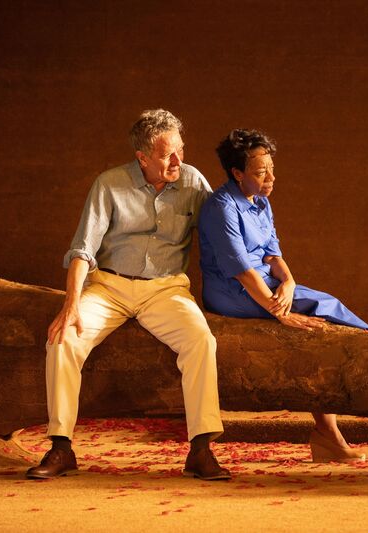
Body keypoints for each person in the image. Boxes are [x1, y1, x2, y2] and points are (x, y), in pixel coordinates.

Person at [27, 109, 229, 481]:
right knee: (63, 340)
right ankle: (61, 446)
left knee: (201, 340)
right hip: (109, 287)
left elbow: (224, 231)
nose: (177, 160)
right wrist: (71, 304)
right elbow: (83, 249)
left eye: (181, 150)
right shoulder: (109, 184)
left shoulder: (193, 181)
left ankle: (201, 449)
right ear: (142, 158)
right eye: (167, 155)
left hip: (166, 289)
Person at [198, 128, 368, 462]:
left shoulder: (261, 202)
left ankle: (329, 432)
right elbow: (242, 271)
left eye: (271, 169)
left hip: (263, 282)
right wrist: (281, 312)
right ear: (237, 173)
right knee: (320, 308)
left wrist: (289, 283)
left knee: (324, 305)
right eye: (260, 172)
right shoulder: (221, 207)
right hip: (230, 290)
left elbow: (273, 255)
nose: (271, 178)